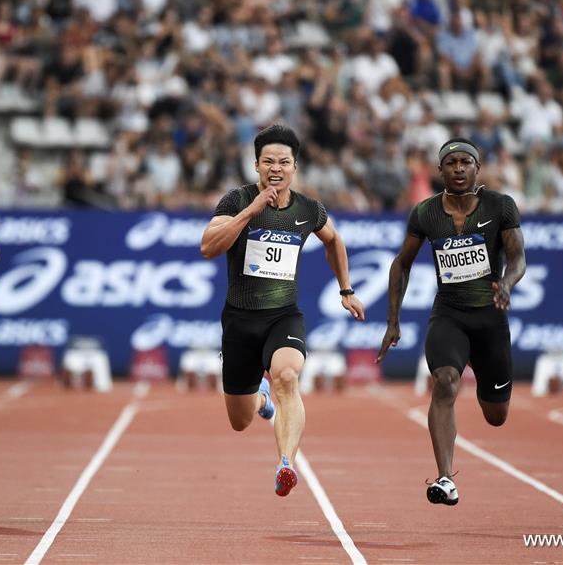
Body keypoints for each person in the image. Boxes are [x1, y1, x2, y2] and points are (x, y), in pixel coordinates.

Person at [200, 124, 365, 497]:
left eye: (284, 162)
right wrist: (251, 211)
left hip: (283, 317)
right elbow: (208, 247)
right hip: (240, 321)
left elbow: (334, 240)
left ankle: (286, 463)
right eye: (269, 161)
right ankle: (261, 398)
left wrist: (346, 289)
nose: (276, 168)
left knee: (288, 377)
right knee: (240, 420)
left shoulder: (308, 210)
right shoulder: (236, 200)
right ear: (256, 165)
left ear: (295, 167)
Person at [377, 137, 526, 506]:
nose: (458, 168)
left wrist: (507, 283)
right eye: (451, 162)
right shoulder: (425, 213)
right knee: (444, 382)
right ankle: (446, 478)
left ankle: (480, 368)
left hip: (490, 319)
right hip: (449, 315)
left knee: (496, 415)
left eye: (465, 162)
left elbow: (517, 258)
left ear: (477, 169)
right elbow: (401, 264)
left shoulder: (500, 206)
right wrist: (393, 321)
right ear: (439, 170)